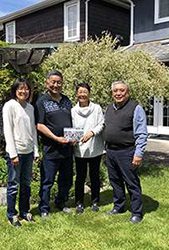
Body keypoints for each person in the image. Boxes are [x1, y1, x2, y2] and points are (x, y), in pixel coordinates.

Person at [105, 80, 147, 224]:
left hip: (127, 152)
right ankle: (119, 206)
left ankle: (137, 212)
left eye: (122, 90)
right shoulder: (109, 108)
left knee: (132, 183)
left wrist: (138, 154)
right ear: (112, 94)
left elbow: (141, 134)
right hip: (111, 151)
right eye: (115, 91)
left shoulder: (136, 108)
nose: (118, 93)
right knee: (115, 181)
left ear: (128, 92)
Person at [35, 70, 73, 218]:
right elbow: (39, 125)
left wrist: (74, 137)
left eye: (59, 82)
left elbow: (71, 122)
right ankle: (44, 208)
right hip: (51, 149)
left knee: (66, 179)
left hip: (67, 148)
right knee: (47, 181)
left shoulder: (66, 100)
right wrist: (56, 138)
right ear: (47, 83)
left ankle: (60, 202)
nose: (56, 85)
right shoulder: (42, 101)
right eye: (53, 82)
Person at [3, 78, 39, 226]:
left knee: (26, 184)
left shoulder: (30, 108)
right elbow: (8, 131)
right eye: (20, 89)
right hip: (16, 152)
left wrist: (36, 151)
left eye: (26, 89)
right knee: (13, 185)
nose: (24, 91)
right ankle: (12, 214)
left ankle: (24, 211)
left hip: (29, 152)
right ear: (15, 90)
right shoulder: (10, 106)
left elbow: (33, 131)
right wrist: (13, 154)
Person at [71, 83, 105, 213]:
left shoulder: (96, 108)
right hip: (80, 150)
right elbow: (72, 128)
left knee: (94, 175)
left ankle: (95, 201)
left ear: (89, 93)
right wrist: (72, 139)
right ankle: (79, 202)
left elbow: (101, 124)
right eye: (80, 92)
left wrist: (92, 133)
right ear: (76, 94)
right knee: (80, 177)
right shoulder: (73, 111)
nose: (82, 94)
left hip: (95, 148)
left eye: (85, 92)